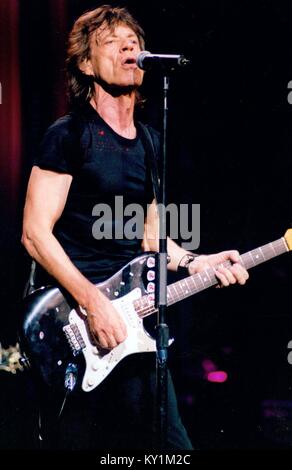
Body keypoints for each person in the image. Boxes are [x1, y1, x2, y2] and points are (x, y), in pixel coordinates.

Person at [21, 5, 249, 450]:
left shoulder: (149, 140)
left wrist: (198, 262)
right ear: (86, 64)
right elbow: (34, 233)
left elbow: (150, 235)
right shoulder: (68, 136)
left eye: (134, 40)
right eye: (112, 41)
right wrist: (91, 303)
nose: (129, 46)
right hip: (76, 325)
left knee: (172, 448)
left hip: (133, 323)